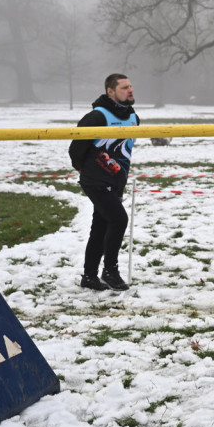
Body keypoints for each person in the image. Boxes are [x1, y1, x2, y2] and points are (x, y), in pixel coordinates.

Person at [68, 74, 139, 291]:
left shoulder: (133, 117)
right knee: (118, 219)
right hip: (96, 181)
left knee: (100, 227)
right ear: (111, 91)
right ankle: (110, 270)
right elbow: (75, 149)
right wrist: (87, 170)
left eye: (131, 86)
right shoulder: (97, 116)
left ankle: (89, 276)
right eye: (125, 87)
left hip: (116, 181)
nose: (130, 90)